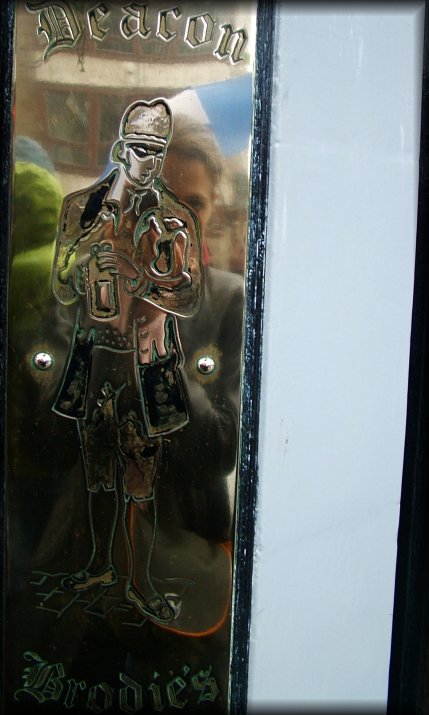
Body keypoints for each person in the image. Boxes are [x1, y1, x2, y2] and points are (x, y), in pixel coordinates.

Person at [50, 98, 203, 624]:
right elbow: (61, 287)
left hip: (147, 362)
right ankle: (98, 564)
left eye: (158, 152)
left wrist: (139, 274)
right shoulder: (81, 208)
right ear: (121, 147)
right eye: (141, 150)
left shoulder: (177, 217)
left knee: (140, 472)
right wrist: (84, 257)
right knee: (95, 467)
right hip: (95, 357)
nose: (150, 163)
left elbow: (190, 297)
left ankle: (139, 581)